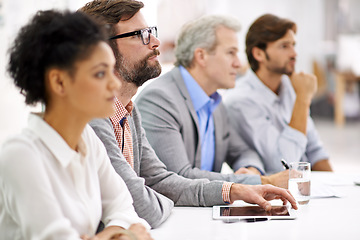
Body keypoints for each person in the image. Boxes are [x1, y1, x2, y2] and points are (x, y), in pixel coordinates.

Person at [80, 0, 297, 229]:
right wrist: (165, 199)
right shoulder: (94, 115)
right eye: (140, 35)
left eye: (151, 32)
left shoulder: (128, 112)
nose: (155, 42)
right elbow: (146, 205)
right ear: (102, 50)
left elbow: (161, 181)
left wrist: (237, 190)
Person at [0, 10, 152, 240]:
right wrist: (125, 235)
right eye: (100, 73)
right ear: (59, 82)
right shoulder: (20, 155)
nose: (114, 82)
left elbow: (127, 212)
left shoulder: (87, 140)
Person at [135, 14, 290, 180]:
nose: (238, 63)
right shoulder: (159, 100)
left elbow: (242, 151)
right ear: (201, 56)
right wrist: (257, 181)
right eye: (231, 53)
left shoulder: (215, 103)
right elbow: (179, 177)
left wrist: (250, 169)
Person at [223, 14, 332, 174]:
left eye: (293, 45)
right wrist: (303, 98)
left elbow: (315, 151)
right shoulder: (240, 101)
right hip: (275, 194)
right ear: (259, 54)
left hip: (305, 187)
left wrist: (340, 187)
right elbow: (285, 163)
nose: (294, 53)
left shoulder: (290, 87)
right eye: (284, 46)